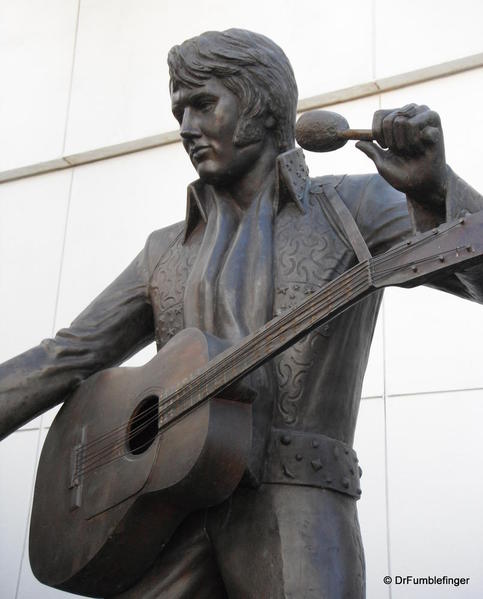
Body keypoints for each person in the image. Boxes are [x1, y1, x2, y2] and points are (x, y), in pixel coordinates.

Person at [1, 28, 483, 598]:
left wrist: (437, 190)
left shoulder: (354, 206)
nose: (185, 127)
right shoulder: (164, 251)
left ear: (262, 103)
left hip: (298, 509)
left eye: (204, 103)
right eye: (178, 110)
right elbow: (66, 355)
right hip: (166, 520)